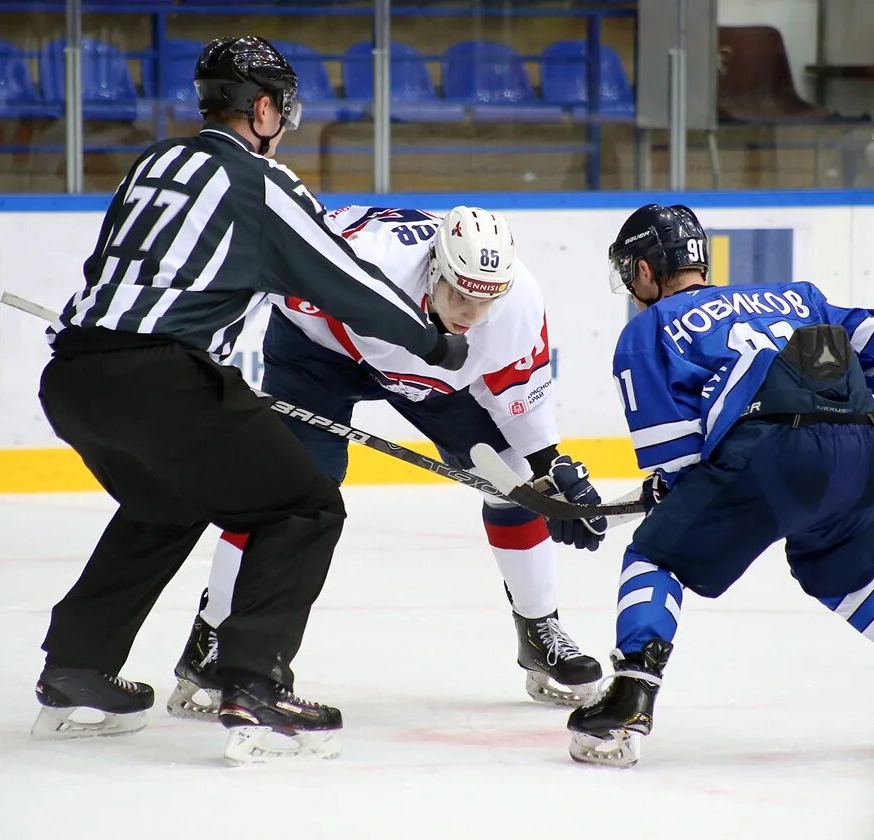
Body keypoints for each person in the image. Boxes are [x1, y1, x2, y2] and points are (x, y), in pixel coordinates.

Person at [33, 36, 467, 764]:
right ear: (261, 107)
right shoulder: (263, 184)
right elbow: (347, 283)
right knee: (303, 505)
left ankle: (76, 663)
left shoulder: (153, 163)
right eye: (283, 106)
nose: (286, 121)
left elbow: (117, 270)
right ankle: (252, 682)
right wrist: (434, 342)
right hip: (155, 378)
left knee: (166, 500)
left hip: (74, 376)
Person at [565, 204, 874, 768]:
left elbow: (679, 461)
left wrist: (668, 497)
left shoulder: (650, 330)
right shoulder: (800, 297)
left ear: (643, 270)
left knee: (653, 554)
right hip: (867, 446)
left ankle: (633, 692)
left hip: (772, 456)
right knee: (839, 569)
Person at [166, 204, 607, 719]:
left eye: (483, 303)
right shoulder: (364, 262)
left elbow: (518, 400)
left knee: (508, 476)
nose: (470, 313)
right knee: (283, 493)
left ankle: (538, 627)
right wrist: (192, 340)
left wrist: (547, 468)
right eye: (459, 296)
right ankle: (213, 638)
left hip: (434, 368)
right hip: (321, 351)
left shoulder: (517, 305)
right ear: (435, 270)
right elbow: (264, 261)